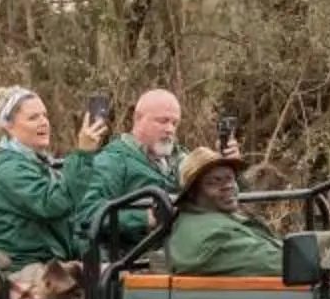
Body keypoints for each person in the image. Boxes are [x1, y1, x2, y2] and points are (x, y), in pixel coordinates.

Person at [0, 85, 107, 271]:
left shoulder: (38, 164)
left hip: (48, 266)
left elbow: (70, 224)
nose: (44, 122)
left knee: (119, 278)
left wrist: (99, 258)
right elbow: (55, 205)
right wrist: (83, 155)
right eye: (33, 118)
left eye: (44, 115)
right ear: (8, 125)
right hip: (18, 270)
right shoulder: (8, 170)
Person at [88, 89, 239, 247]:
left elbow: (224, 198)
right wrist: (145, 218)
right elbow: (89, 215)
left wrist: (228, 167)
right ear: (138, 119)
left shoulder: (183, 157)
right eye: (163, 121)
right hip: (136, 258)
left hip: (193, 247)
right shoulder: (112, 160)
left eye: (175, 123)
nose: (170, 129)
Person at [163, 147, 283, 279]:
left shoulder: (214, 218)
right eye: (214, 182)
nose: (228, 186)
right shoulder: (210, 237)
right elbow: (278, 263)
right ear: (192, 193)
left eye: (230, 178)